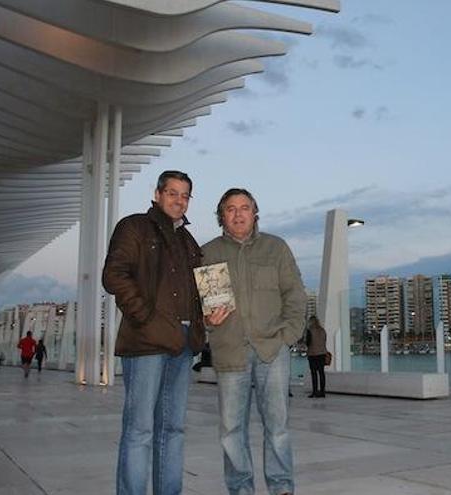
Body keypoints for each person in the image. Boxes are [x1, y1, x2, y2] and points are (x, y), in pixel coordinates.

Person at [102, 170, 206, 495]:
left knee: (173, 429)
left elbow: (199, 293)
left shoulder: (190, 242)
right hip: (146, 342)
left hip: (183, 343)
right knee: (140, 429)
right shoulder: (134, 226)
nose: (179, 200)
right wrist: (145, 317)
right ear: (158, 194)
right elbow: (114, 275)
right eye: (172, 192)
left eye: (185, 195)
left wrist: (207, 319)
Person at [203, 188, 306, 495]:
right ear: (221, 215)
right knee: (232, 432)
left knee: (277, 429)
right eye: (230, 209)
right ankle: (240, 490)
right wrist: (207, 321)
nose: (237, 214)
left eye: (244, 208)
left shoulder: (277, 248)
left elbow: (295, 295)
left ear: (254, 213)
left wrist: (287, 336)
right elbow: (199, 304)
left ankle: (281, 488)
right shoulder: (207, 253)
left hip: (271, 351)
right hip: (230, 352)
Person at [304, 316, 328, 398]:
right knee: (321, 373)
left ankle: (314, 391)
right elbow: (325, 340)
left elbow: (308, 343)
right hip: (322, 354)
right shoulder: (322, 330)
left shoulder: (310, 331)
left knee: (314, 374)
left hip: (313, 354)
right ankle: (322, 391)